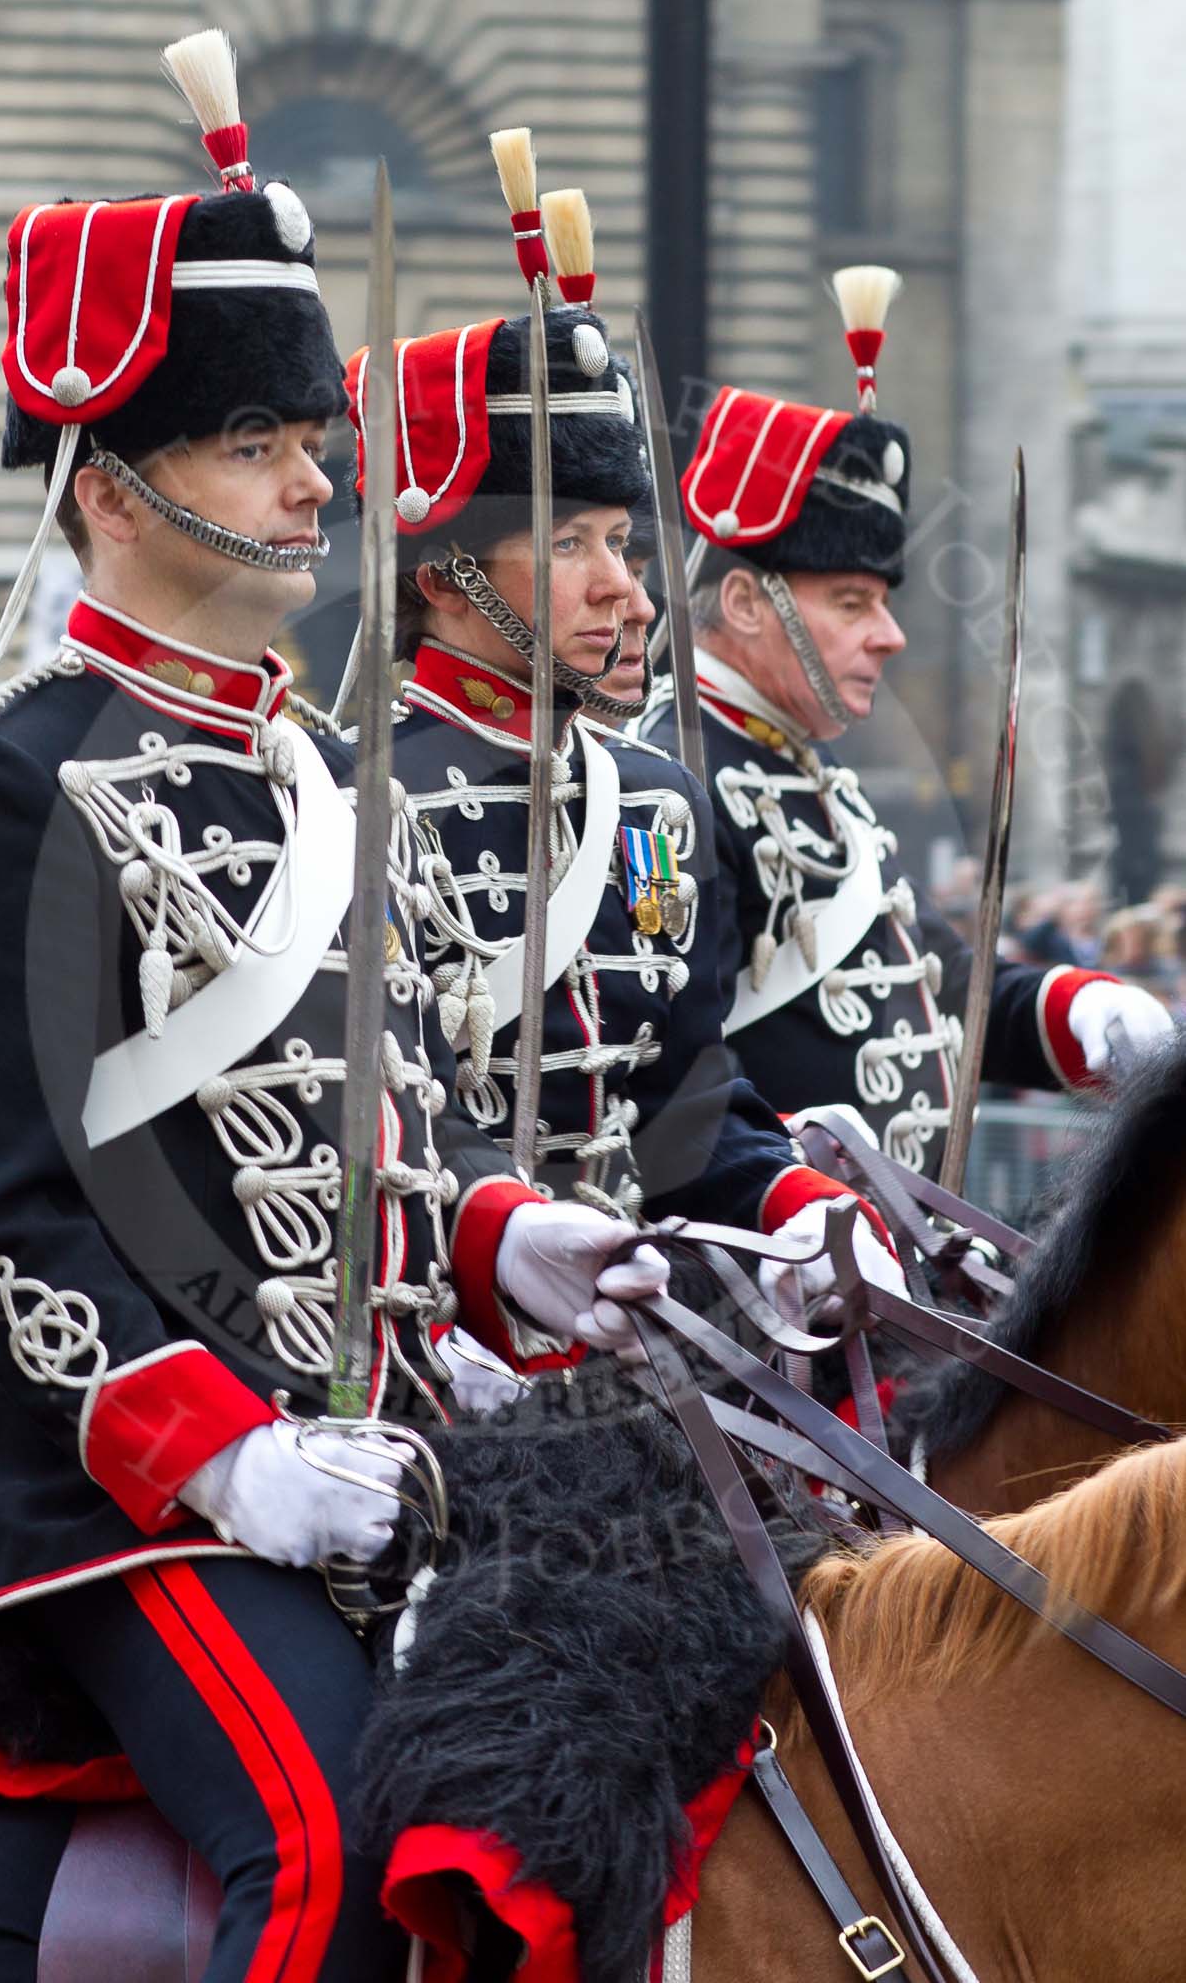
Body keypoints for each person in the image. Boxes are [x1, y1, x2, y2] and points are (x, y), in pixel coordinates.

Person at [0, 36, 670, 1982]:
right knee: (332, 1838)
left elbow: (382, 1124)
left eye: (312, 432)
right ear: (115, 479)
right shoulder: (7, 782)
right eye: (258, 439)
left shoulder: (318, 775)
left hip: (383, 1449)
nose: (321, 475)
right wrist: (222, 1453)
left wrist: (512, 1234)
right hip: (108, 1496)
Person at [346, 163, 903, 1302]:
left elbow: (688, 1105)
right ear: (446, 579)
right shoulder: (353, 801)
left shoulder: (653, 797)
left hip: (648, 1347)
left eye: (627, 548)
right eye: (569, 548)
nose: (630, 593)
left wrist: (808, 1208)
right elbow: (360, 1131)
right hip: (443, 1341)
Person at [639, 267, 1172, 1170]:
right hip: (760, 1276)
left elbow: (936, 988)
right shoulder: (664, 783)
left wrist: (1074, 1009)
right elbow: (663, 1071)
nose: (888, 636)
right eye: (850, 603)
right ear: (742, 603)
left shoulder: (816, 784)